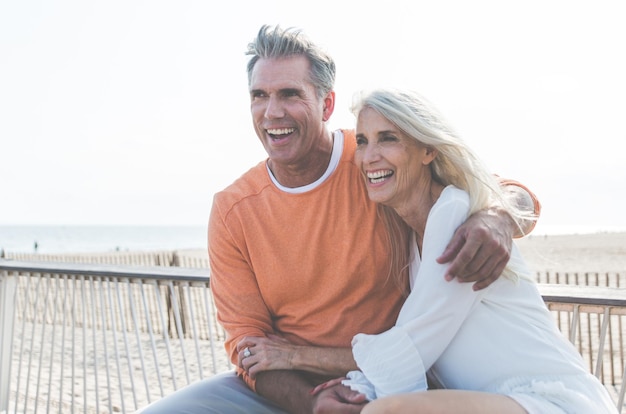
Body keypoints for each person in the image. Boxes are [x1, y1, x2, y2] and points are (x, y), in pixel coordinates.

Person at [138, 25, 540, 414]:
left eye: (290, 94)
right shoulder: (232, 209)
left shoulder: (374, 159)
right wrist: (308, 402)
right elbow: (247, 344)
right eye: (259, 96)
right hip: (289, 384)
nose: (272, 112)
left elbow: (505, 190)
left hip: (389, 376)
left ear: (326, 104)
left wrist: (496, 218)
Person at [312, 88, 615, 413]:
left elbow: (416, 338)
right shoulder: (412, 239)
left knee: (386, 411)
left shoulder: (454, 213)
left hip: (551, 399)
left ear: (428, 150)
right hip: (498, 401)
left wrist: (298, 358)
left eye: (388, 138)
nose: (370, 155)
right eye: (362, 141)